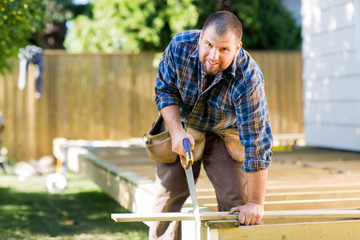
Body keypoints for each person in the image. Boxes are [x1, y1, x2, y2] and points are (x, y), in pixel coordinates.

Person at [150, 11, 273, 239]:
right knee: (167, 198)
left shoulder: (248, 79)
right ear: (200, 38)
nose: (213, 56)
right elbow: (165, 91)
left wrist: (256, 203)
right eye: (208, 45)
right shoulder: (180, 46)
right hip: (183, 124)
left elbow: (257, 143)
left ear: (237, 48)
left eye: (224, 49)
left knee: (237, 203)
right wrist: (176, 133)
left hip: (225, 130)